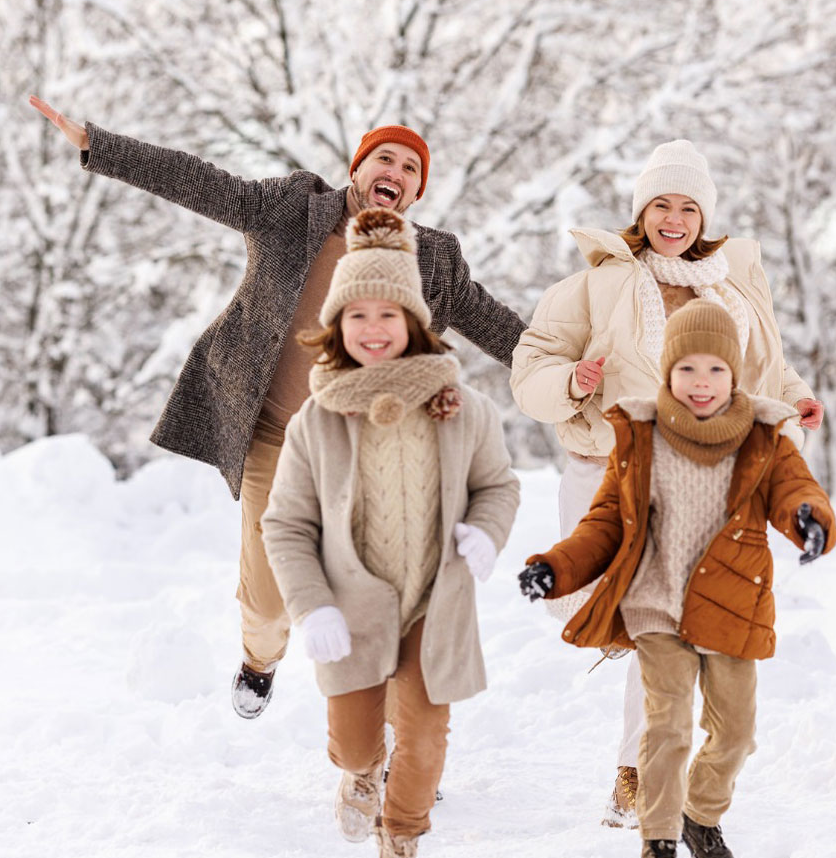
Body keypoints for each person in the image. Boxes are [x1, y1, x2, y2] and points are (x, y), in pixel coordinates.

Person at [27, 97, 525, 719]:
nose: (394, 172)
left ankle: (398, 747)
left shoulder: (434, 258)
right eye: (384, 158)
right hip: (276, 439)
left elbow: (497, 327)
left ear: (417, 191)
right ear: (358, 168)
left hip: (371, 453)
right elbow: (199, 181)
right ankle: (260, 658)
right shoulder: (292, 210)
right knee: (266, 603)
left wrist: (570, 368)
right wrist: (96, 144)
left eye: (409, 167)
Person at [509, 139, 823, 825]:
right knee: (607, 608)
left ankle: (635, 771)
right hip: (605, 466)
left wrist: (795, 401)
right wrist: (570, 381)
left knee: (665, 622)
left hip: (698, 471)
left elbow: (765, 365)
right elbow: (528, 370)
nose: (674, 219)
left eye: (687, 206)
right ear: (641, 210)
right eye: (660, 204)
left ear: (703, 215)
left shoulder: (732, 285)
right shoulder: (597, 284)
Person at [517, 301, 836, 858]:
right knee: (666, 725)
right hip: (656, 605)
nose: (702, 383)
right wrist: (556, 568)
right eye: (687, 369)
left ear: (734, 375)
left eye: (715, 370)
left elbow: (797, 491)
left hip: (733, 604)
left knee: (735, 732)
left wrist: (809, 520)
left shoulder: (764, 437)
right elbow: (603, 524)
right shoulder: (640, 438)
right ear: (667, 374)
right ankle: (658, 845)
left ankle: (702, 817)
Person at [261, 208, 520, 858]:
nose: (373, 328)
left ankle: (400, 855)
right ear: (337, 325)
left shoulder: (461, 407)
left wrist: (488, 532)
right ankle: (357, 774)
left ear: (414, 320)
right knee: (354, 741)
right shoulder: (316, 421)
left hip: (433, 602)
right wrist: (310, 604)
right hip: (350, 605)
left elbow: (499, 484)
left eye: (389, 312)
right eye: (357, 315)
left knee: (428, 734)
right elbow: (285, 523)